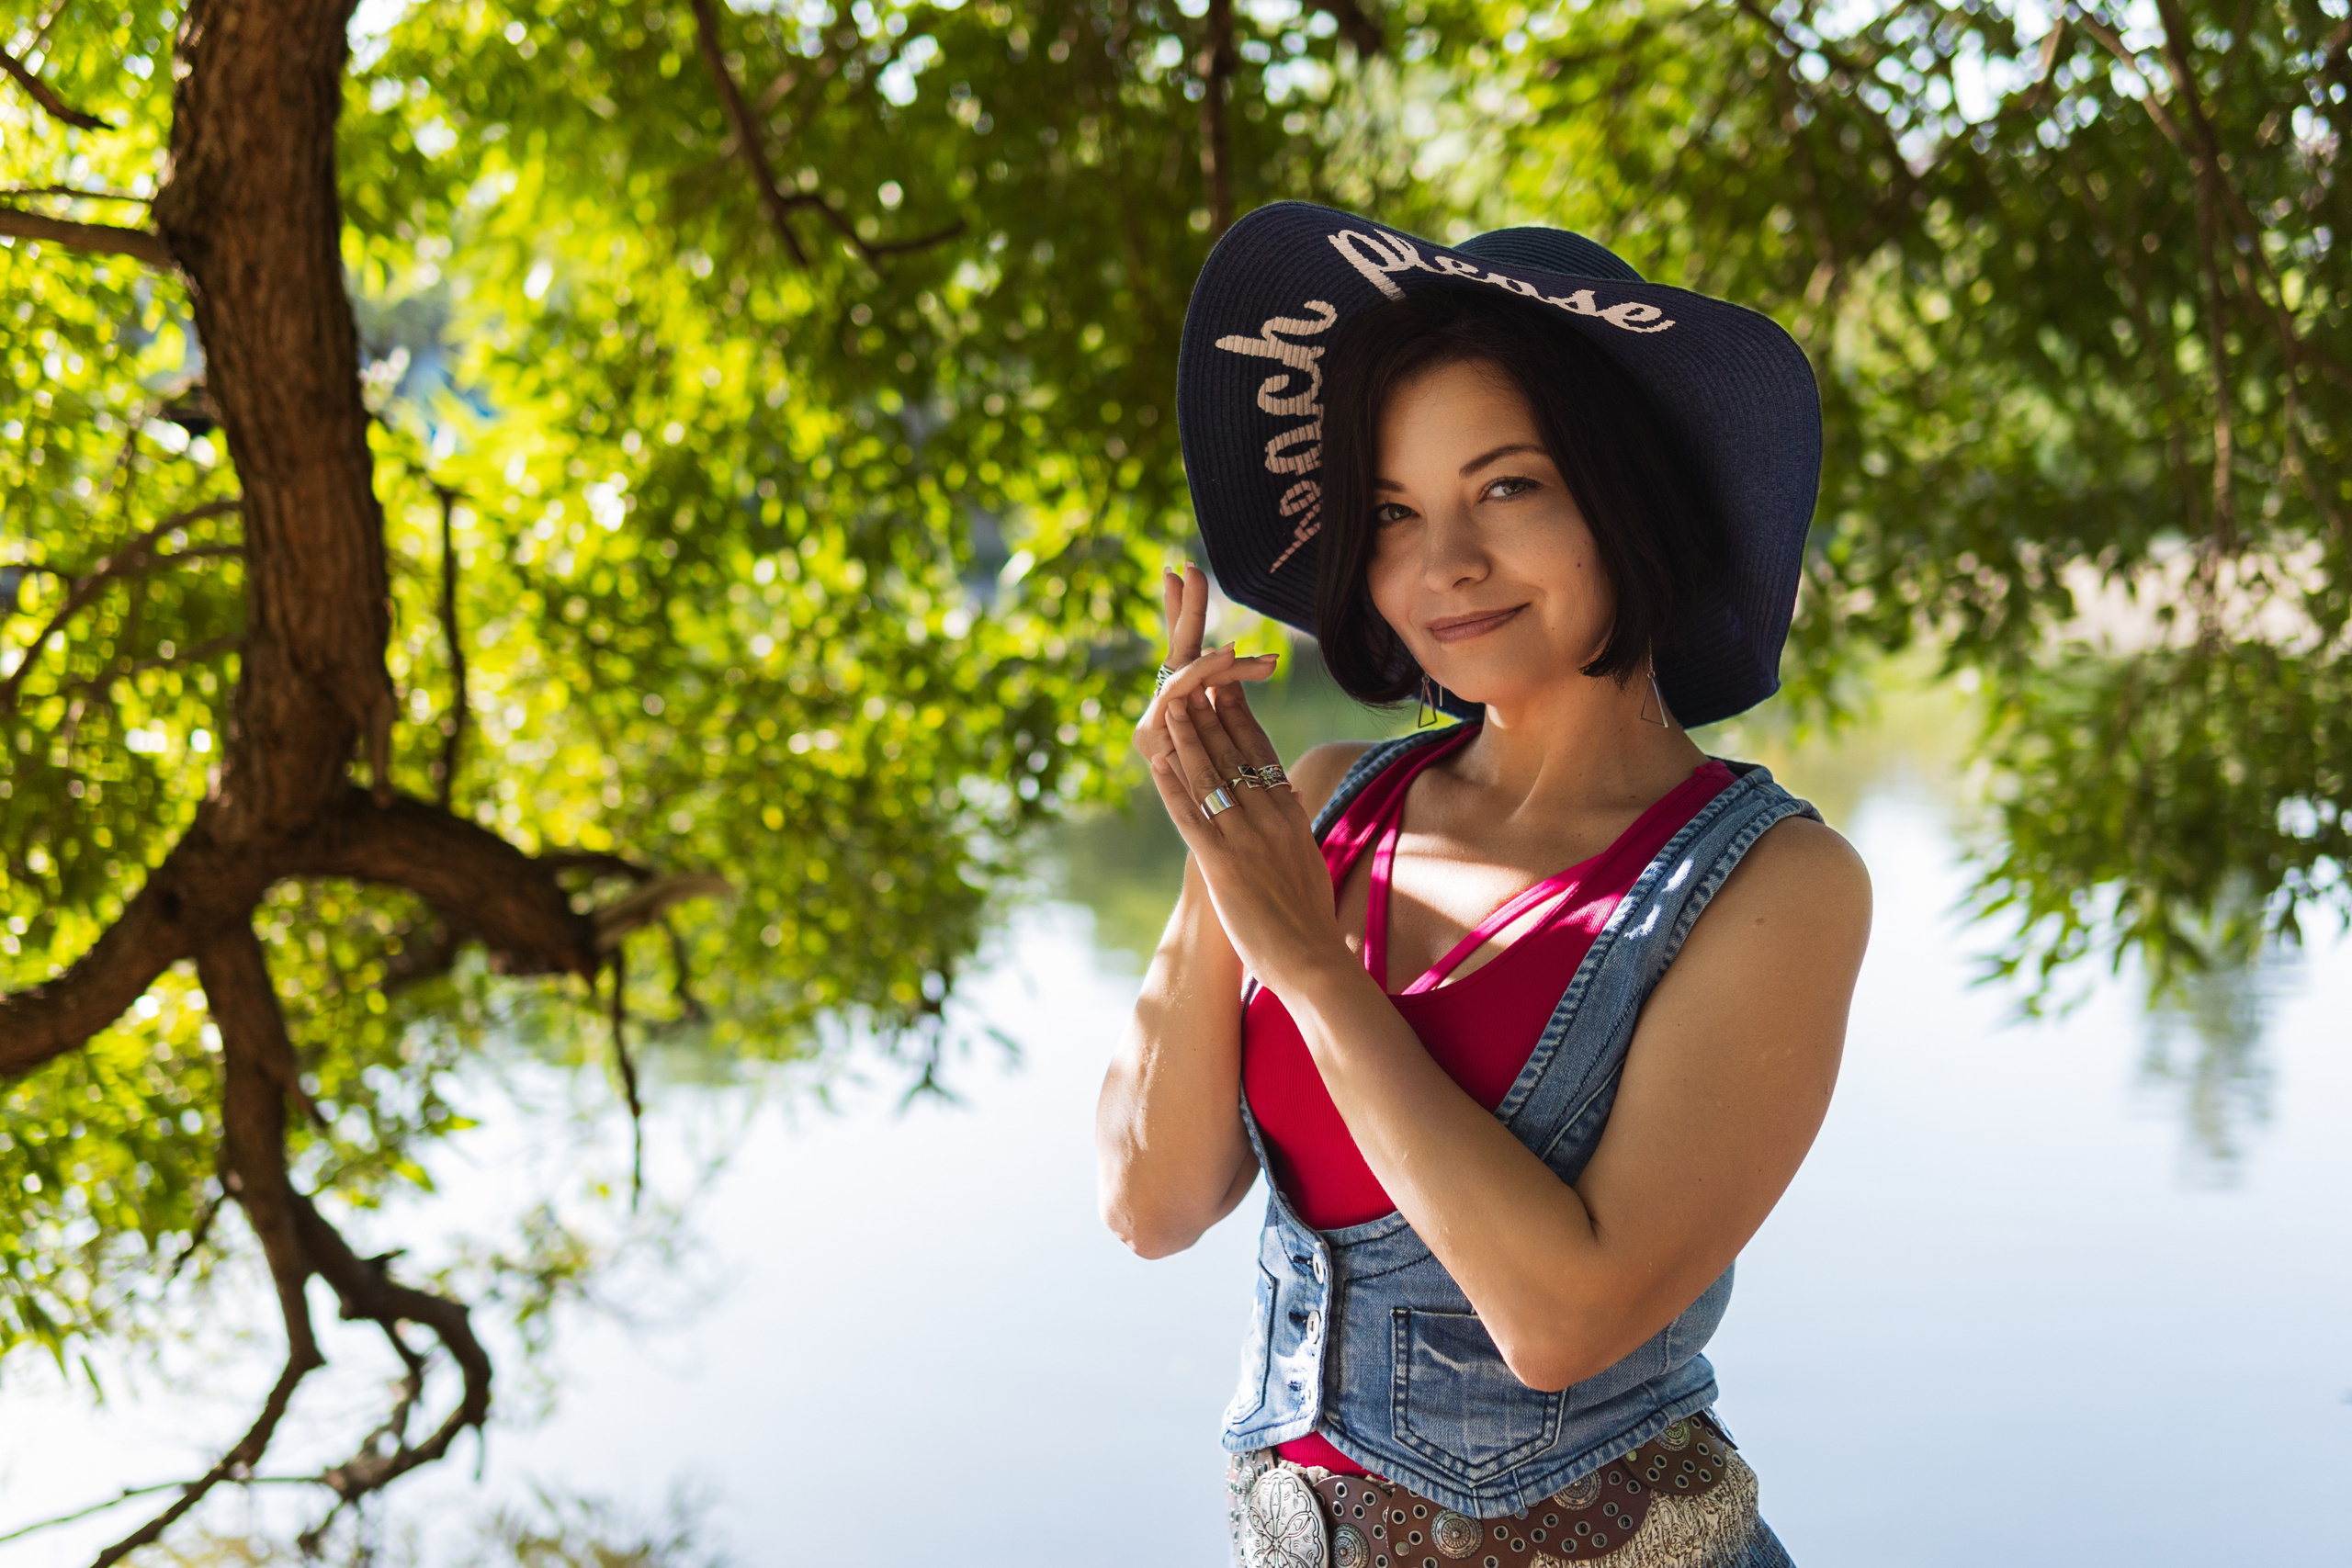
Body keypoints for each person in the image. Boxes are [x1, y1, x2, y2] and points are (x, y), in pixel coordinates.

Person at [1094, 202, 1871, 1568]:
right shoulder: (1329, 799)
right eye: (1393, 510)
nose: (1443, 564)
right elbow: (1150, 1208)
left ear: (1630, 499)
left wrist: (1314, 970)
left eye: (1506, 487)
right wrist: (1218, 844)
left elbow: (1563, 1317)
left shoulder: (1776, 882)